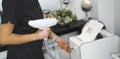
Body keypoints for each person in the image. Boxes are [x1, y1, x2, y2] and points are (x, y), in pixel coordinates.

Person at [0, 0, 71, 59]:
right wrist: (36, 36)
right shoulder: (12, 2)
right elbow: (4, 38)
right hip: (21, 55)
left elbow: (38, 24)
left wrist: (56, 38)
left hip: (36, 53)